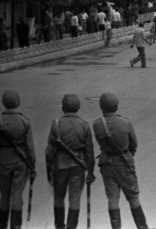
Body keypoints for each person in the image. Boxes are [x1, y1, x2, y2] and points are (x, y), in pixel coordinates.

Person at [93, 93, 154, 229]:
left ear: (101, 106)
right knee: (133, 197)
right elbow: (134, 144)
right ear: (117, 105)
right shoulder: (125, 122)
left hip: (107, 164)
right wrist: (127, 155)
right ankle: (142, 227)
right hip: (124, 163)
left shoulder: (97, 124)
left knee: (112, 199)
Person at [45, 94, 95, 229]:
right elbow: (89, 151)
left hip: (60, 165)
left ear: (63, 108)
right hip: (78, 166)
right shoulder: (84, 125)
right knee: (75, 199)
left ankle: (59, 226)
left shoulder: (55, 124)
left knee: (58, 196)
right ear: (78, 107)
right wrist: (91, 171)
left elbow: (49, 150)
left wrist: (49, 167)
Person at [0, 90, 36, 229]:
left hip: (2, 161)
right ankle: (16, 226)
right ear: (18, 102)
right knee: (17, 195)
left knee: (4, 195)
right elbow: (30, 148)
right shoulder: (24, 121)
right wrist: (32, 167)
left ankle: (2, 224)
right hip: (20, 163)